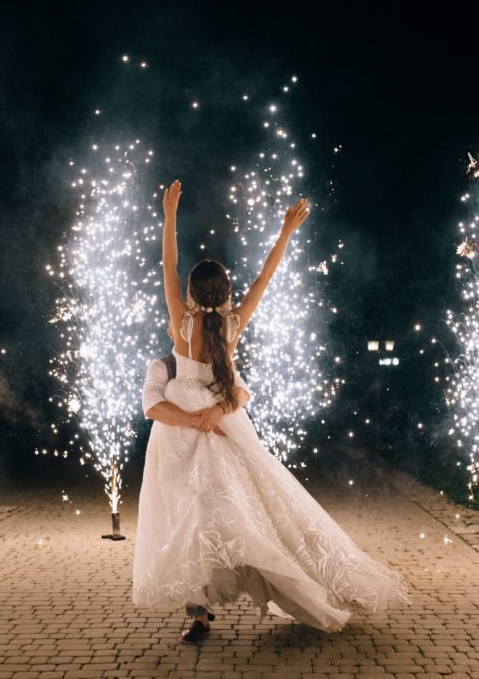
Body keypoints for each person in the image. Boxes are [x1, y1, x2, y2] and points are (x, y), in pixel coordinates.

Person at [132, 180, 408, 643]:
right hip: (222, 424)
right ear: (223, 293)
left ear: (194, 293)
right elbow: (265, 277)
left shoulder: (181, 323)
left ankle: (200, 608)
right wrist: (285, 231)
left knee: (188, 515)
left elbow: (168, 264)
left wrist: (169, 215)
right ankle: (265, 577)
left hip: (180, 436)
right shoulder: (232, 325)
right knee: (250, 506)